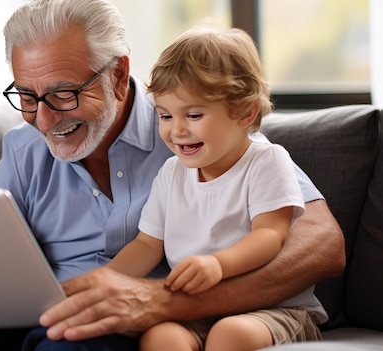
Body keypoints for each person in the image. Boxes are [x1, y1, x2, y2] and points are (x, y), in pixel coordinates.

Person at [0, 0, 344, 350]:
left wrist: (164, 303)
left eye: (64, 94)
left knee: (67, 342)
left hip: (109, 326)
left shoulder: (203, 139)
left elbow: (321, 245)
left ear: (120, 75)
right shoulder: (25, 150)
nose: (44, 119)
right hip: (36, 310)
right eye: (26, 96)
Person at [105, 26, 325, 351]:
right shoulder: (171, 173)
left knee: (230, 335)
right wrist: (102, 282)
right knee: (161, 338)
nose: (176, 130)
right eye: (164, 115)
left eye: (193, 114)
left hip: (275, 309)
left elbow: (271, 235)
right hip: (200, 309)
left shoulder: (266, 161)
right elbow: (147, 245)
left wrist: (218, 264)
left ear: (245, 112)